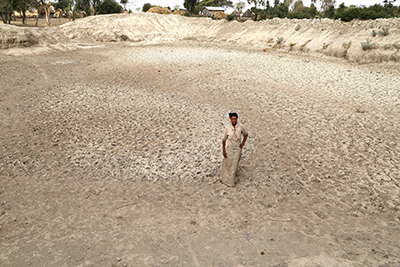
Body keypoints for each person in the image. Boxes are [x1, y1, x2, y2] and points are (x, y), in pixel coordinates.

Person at [221, 112, 248, 187]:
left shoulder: (240, 126)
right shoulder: (227, 128)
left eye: (235, 119)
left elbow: (246, 134)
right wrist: (223, 150)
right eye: (232, 119)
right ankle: (224, 179)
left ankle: (231, 182)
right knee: (227, 164)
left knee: (234, 165)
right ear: (230, 119)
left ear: (237, 119)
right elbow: (224, 140)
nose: (234, 120)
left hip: (237, 149)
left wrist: (242, 143)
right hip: (229, 148)